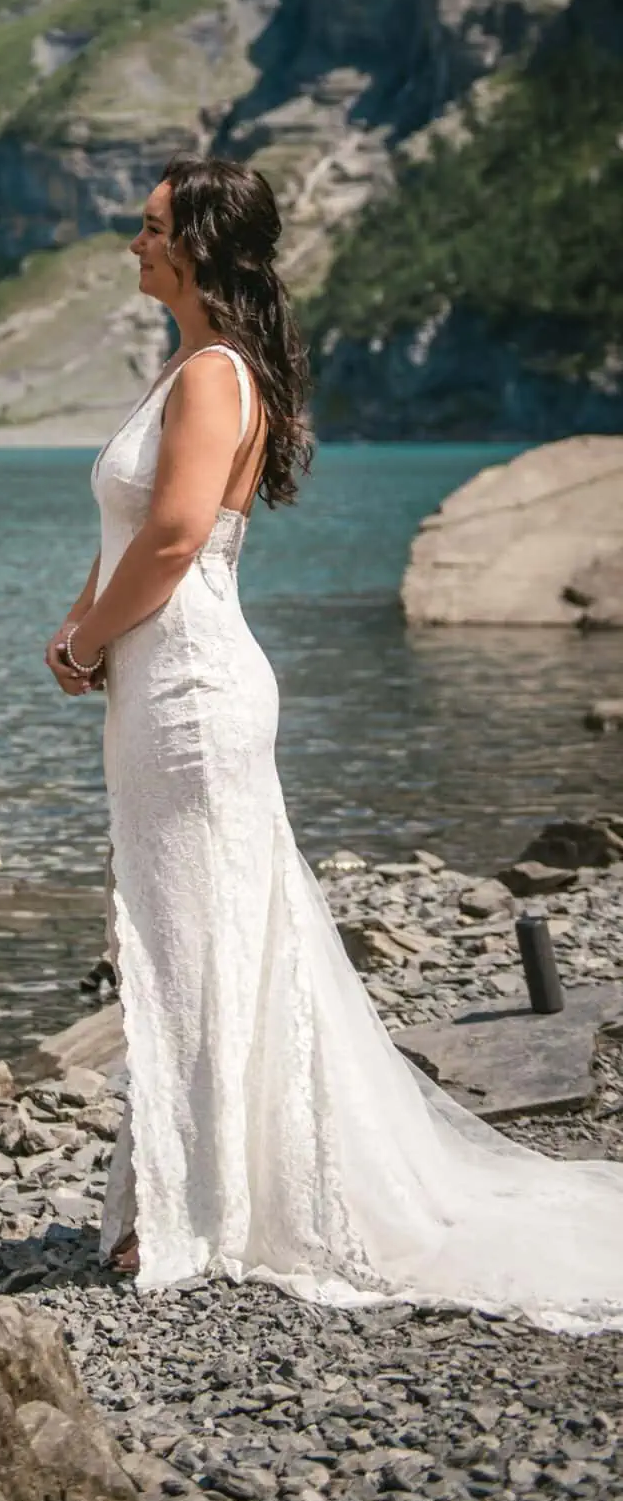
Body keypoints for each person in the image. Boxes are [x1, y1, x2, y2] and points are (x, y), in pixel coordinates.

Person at [48, 153, 623, 1327]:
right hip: (167, 674)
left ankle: (201, 1208)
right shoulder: (199, 366)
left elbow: (169, 540)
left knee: (199, 935)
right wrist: (84, 622)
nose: (134, 242)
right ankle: (192, 1187)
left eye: (152, 227)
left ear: (200, 246)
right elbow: (139, 539)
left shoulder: (213, 372)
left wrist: (81, 646)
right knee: (200, 931)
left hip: (188, 682)